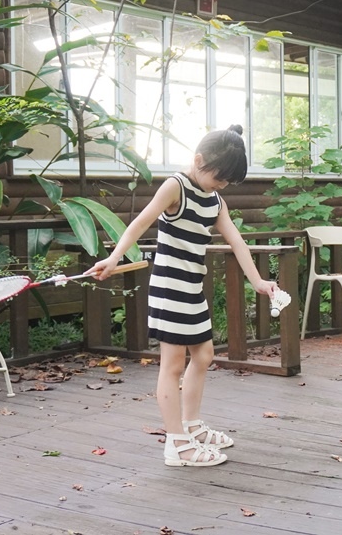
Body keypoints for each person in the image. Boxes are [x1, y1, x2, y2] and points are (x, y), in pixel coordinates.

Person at [88, 125, 276, 466]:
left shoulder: (215, 200)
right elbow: (141, 221)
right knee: (172, 365)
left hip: (192, 287)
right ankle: (177, 444)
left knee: (203, 356)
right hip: (169, 287)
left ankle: (191, 426)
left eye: (228, 182)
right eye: (220, 177)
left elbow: (236, 241)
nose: (222, 185)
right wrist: (115, 257)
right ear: (199, 160)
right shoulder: (176, 186)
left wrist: (259, 281)